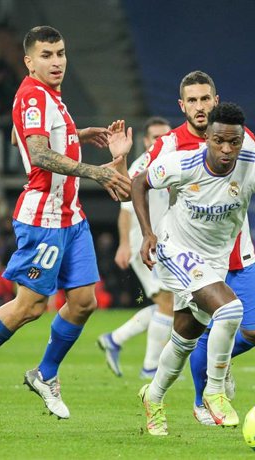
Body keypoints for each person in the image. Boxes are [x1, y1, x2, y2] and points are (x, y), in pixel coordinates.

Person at [0, 25, 132, 421]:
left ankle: (45, 374)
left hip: (71, 216)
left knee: (82, 302)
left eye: (60, 53)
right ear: (29, 61)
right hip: (43, 217)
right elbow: (39, 154)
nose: (57, 61)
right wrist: (95, 171)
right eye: (47, 55)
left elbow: (18, 138)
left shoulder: (49, 97)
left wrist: (77, 135)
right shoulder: (31, 95)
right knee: (29, 307)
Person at [133, 102, 255, 435]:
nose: (227, 150)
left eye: (234, 142)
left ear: (242, 141)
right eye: (219, 141)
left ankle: (152, 397)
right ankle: (214, 391)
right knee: (230, 309)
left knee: (184, 340)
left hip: (215, 261)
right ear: (207, 138)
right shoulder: (183, 163)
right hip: (175, 250)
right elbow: (140, 182)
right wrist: (147, 233)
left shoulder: (252, 164)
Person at [97, 116, 174, 379]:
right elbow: (126, 207)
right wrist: (124, 245)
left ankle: (115, 339)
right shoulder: (142, 165)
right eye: (155, 137)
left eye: (165, 136)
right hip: (145, 246)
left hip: (164, 244)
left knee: (174, 304)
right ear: (145, 140)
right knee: (168, 304)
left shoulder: (171, 162)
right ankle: (151, 368)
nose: (160, 141)